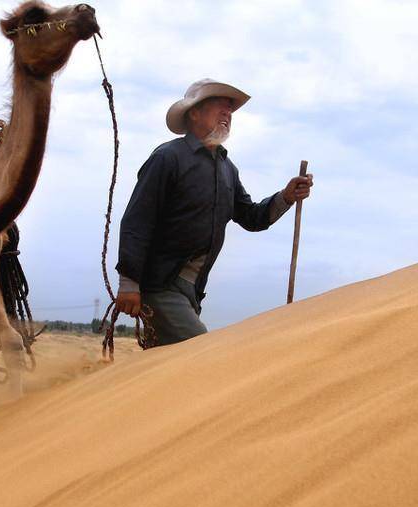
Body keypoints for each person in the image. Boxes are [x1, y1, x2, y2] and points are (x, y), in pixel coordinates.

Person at [114, 78, 314, 346]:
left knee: (172, 372)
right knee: (201, 353)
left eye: (230, 110)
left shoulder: (227, 168)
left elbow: (252, 217)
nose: (227, 114)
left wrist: (286, 197)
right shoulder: (167, 158)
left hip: (194, 292)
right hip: (161, 285)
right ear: (194, 113)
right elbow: (137, 220)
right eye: (219, 106)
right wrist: (129, 282)